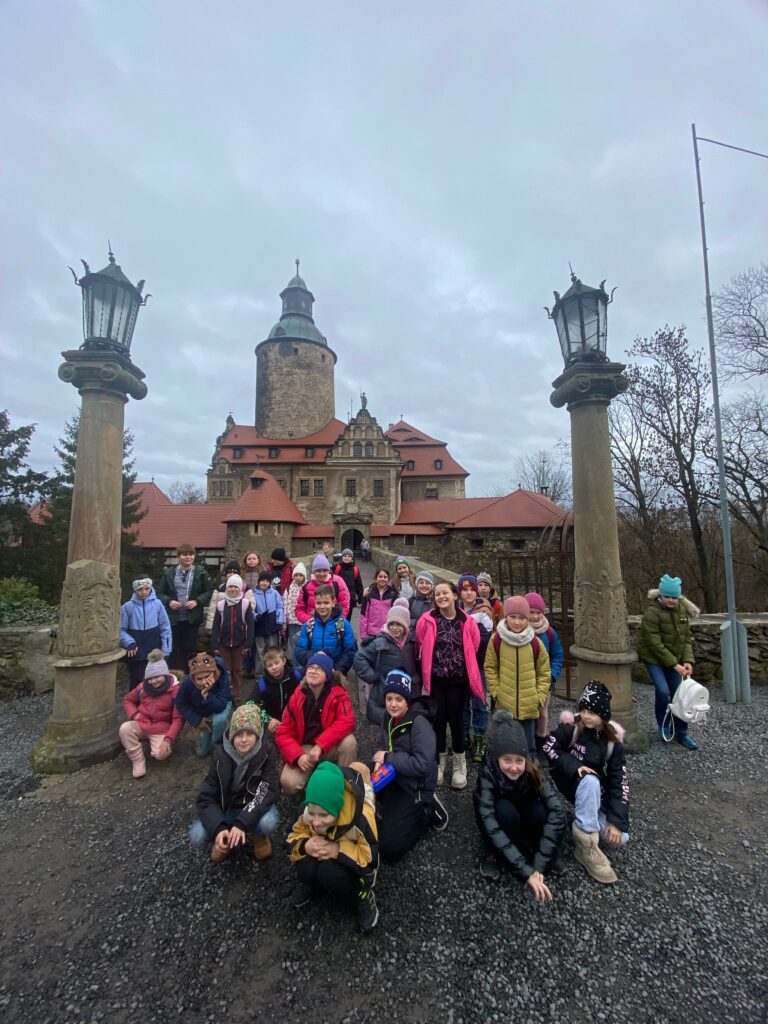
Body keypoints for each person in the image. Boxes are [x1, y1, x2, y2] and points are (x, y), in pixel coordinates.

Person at [543, 681, 630, 885]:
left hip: (595, 791)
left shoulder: (612, 742)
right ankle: (586, 844)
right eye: (583, 710)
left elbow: (620, 782)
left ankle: (581, 820)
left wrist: (617, 822)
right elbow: (548, 747)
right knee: (590, 781)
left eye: (592, 712)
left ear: (603, 715)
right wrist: (575, 766)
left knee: (620, 837)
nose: (586, 716)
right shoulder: (571, 727)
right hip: (569, 779)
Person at [474, 710, 566, 899]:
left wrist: (540, 865)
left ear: (526, 758)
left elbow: (558, 811)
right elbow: (488, 822)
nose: (514, 767)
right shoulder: (487, 773)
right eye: (507, 760)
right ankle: (495, 853)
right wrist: (525, 872)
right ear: (497, 758)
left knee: (541, 812)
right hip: (503, 818)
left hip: (525, 812)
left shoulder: (533, 768)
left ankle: (538, 848)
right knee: (504, 812)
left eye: (519, 761)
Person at [287, 761, 379, 931]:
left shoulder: (361, 820)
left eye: (324, 815)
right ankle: (312, 885)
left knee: (329, 873)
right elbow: (290, 838)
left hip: (346, 864)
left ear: (338, 808)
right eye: (312, 814)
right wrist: (305, 845)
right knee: (305, 867)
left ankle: (362, 895)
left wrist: (338, 850)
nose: (316, 822)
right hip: (324, 853)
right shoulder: (306, 811)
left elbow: (370, 861)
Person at [372, 670, 448, 862]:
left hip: (415, 785)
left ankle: (427, 811)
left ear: (408, 701)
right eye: (389, 698)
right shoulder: (387, 717)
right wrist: (379, 761)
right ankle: (392, 807)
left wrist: (388, 757)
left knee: (389, 850)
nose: (393, 704)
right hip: (394, 775)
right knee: (364, 777)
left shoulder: (419, 723)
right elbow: (381, 743)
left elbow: (423, 764)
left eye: (399, 699)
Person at [190, 703, 280, 863]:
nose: (244, 739)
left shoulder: (267, 752)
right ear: (232, 735)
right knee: (196, 835)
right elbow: (206, 798)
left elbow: (267, 791)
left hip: (253, 805)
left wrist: (242, 822)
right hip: (227, 808)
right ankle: (225, 841)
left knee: (268, 822)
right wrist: (218, 828)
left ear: (257, 735)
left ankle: (259, 836)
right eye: (239, 735)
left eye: (249, 734)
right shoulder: (220, 754)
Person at [415, 581, 484, 790]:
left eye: (445, 593)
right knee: (438, 720)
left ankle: (459, 762)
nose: (441, 597)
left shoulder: (467, 621)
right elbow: (421, 641)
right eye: (437, 594)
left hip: (457, 681)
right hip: (436, 679)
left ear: (455, 595)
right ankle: (440, 760)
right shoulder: (427, 619)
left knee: (456, 720)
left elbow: (474, 644)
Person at [276, 652, 357, 795]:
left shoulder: (339, 693)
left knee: (349, 742)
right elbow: (283, 732)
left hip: (329, 746)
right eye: (311, 667)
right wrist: (297, 756)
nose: (313, 671)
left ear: (327, 675)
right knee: (288, 784)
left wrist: (321, 745)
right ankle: (312, 777)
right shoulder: (297, 696)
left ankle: (343, 782)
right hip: (305, 747)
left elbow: (347, 721)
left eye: (319, 668)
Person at [637, 574, 700, 749]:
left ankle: (681, 732)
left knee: (680, 694)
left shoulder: (682, 611)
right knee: (663, 691)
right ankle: (663, 724)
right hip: (654, 658)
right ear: (660, 596)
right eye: (667, 597)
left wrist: (687, 660)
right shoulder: (652, 613)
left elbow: (685, 639)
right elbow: (654, 643)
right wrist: (674, 664)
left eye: (674, 597)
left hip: (675, 659)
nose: (671, 600)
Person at [484, 596, 550, 757]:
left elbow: (544, 672)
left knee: (528, 746)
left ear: (527, 619)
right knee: (505, 745)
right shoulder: (496, 640)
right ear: (506, 617)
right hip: (505, 703)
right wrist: (496, 692)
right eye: (513, 617)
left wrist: (539, 697)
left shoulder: (535, 643)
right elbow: (490, 668)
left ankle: (529, 770)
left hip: (529, 704)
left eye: (521, 618)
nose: (517, 622)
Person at [119, 650, 183, 778]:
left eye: (157, 677)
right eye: (150, 678)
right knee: (125, 729)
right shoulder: (142, 688)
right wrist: (134, 715)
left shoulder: (175, 691)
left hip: (161, 728)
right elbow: (128, 700)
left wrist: (168, 739)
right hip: (142, 723)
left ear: (165, 674)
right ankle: (138, 761)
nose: (154, 681)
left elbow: (178, 719)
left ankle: (157, 745)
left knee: (160, 755)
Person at [353, 602, 420, 724]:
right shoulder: (380, 642)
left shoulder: (412, 642)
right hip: (385, 691)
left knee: (406, 723)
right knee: (387, 724)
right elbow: (360, 657)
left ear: (406, 625)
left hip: (408, 690)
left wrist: (417, 678)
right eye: (392, 624)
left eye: (399, 624)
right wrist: (372, 676)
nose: (395, 628)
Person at [156, 544, 213, 670]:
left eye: (191, 554)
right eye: (184, 554)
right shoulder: (169, 573)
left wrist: (197, 601)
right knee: (173, 649)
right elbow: (159, 593)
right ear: (178, 556)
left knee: (189, 648)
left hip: (192, 618)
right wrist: (169, 601)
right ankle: (173, 675)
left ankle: (190, 675)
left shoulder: (201, 572)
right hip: (173, 618)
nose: (188, 557)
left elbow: (209, 592)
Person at [524, 591, 565, 755]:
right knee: (527, 710)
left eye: (538, 612)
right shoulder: (519, 631)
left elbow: (558, 655)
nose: (535, 617)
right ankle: (527, 740)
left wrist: (552, 676)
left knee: (542, 711)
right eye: (531, 612)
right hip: (526, 680)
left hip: (544, 680)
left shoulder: (549, 633)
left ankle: (541, 740)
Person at [458, 573, 493, 764]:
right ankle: (464, 734)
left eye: (471, 589)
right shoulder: (455, 610)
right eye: (465, 590)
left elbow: (483, 638)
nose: (469, 593)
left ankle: (479, 738)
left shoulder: (483, 611)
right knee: (463, 701)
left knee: (479, 702)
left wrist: (463, 645)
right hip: (460, 664)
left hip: (477, 664)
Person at [174, 651, 233, 757]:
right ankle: (207, 737)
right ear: (193, 678)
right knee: (201, 753)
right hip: (202, 711)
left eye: (207, 676)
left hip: (221, 704)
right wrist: (197, 720)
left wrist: (207, 695)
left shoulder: (222, 677)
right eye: (199, 679)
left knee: (219, 721)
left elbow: (221, 706)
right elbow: (180, 703)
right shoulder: (188, 682)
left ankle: (218, 749)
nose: (204, 682)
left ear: (213, 672)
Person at [119, 577, 172, 687]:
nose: (144, 592)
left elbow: (165, 628)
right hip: (136, 650)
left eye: (147, 588)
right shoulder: (127, 607)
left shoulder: (157, 604)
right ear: (135, 590)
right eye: (140, 589)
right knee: (137, 679)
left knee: (155, 679)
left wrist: (166, 650)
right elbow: (121, 630)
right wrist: (129, 642)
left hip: (154, 648)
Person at [293, 584, 357, 676]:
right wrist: (316, 660)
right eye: (319, 603)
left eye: (326, 603)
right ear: (314, 603)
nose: (322, 606)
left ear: (333, 602)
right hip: (314, 672)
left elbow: (350, 651)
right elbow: (300, 650)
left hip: (336, 673)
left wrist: (337, 669)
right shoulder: (308, 625)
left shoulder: (343, 625)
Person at [211, 574, 254, 705]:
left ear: (240, 588)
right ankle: (225, 693)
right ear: (226, 588)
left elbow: (250, 625)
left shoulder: (245, 604)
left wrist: (248, 643)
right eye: (230, 587)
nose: (233, 589)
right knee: (225, 669)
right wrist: (214, 644)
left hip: (240, 643)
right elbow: (215, 625)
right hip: (224, 642)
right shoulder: (220, 605)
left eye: (235, 587)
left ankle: (236, 694)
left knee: (237, 670)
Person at [255, 645, 301, 735]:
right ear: (265, 668)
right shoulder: (262, 684)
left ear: (284, 661)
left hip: (293, 720)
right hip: (272, 723)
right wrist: (267, 719)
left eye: (277, 663)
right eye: (270, 665)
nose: (274, 667)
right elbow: (250, 704)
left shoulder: (296, 676)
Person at [295, 554, 351, 622]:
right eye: (318, 571)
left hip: (333, 624)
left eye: (324, 571)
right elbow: (299, 609)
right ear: (314, 571)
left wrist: (338, 621)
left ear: (328, 571)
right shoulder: (306, 588)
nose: (321, 574)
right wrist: (310, 621)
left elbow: (344, 605)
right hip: (313, 625)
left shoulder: (336, 584)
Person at [251, 570, 286, 677]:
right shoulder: (253, 594)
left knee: (273, 651)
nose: (264, 583)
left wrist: (279, 621)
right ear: (259, 581)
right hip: (259, 625)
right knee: (260, 652)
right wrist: (256, 616)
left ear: (270, 582)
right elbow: (250, 610)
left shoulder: (274, 593)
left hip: (272, 626)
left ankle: (275, 673)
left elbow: (280, 607)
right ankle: (260, 675)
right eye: (262, 580)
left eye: (267, 581)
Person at [204, 560, 254, 632]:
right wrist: (210, 625)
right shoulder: (220, 588)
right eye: (229, 572)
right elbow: (213, 608)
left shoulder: (246, 589)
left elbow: (251, 608)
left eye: (234, 572)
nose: (232, 574)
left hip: (240, 625)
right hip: (222, 624)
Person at [359, 567, 398, 642]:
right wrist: (363, 635)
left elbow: (395, 615)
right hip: (371, 633)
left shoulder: (393, 593)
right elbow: (364, 615)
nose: (382, 579)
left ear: (388, 579)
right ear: (375, 578)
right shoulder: (369, 593)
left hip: (387, 632)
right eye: (380, 576)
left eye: (385, 577)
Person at [283, 562, 307, 658]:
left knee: (303, 643)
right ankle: (295, 663)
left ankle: (302, 663)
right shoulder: (289, 588)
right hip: (292, 621)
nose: (298, 577)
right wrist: (285, 620)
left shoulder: (307, 587)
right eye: (296, 575)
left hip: (303, 621)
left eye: (300, 575)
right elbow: (285, 603)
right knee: (293, 643)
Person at [332, 549, 364, 619]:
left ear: (352, 558)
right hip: (338, 597)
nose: (347, 558)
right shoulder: (337, 567)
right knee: (337, 617)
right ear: (342, 557)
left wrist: (360, 600)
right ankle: (339, 626)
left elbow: (359, 585)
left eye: (349, 556)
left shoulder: (355, 569)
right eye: (345, 556)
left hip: (350, 598)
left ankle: (344, 626)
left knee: (347, 618)